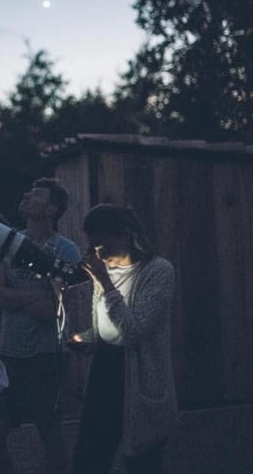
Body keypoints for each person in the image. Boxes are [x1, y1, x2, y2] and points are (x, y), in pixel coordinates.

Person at [70, 203, 177, 474]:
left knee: (143, 460)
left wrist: (105, 283)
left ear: (123, 235)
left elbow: (133, 330)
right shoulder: (105, 272)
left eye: (103, 248)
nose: (99, 255)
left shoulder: (157, 271)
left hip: (139, 377)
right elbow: (107, 324)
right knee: (90, 457)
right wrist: (87, 338)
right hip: (104, 372)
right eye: (94, 249)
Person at [0, 178, 81, 474]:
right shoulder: (9, 243)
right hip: (9, 353)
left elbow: (52, 309)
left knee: (50, 432)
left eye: (37, 194)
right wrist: (35, 296)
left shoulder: (66, 251)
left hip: (46, 356)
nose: (27, 194)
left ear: (52, 209)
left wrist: (13, 298)